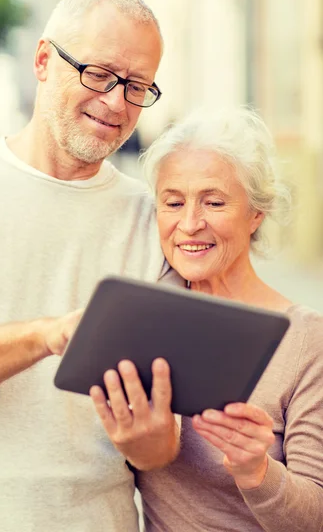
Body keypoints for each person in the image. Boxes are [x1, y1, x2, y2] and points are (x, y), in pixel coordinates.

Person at [0, 0, 179, 532]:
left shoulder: (153, 218)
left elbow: (159, 448)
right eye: (100, 74)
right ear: (43, 60)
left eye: (137, 86)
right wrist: (47, 335)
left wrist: (154, 441)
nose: (116, 103)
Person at [129, 107, 323, 531]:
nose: (190, 224)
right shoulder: (147, 320)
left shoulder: (307, 341)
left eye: (214, 202)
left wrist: (257, 471)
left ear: (256, 214)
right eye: (173, 202)